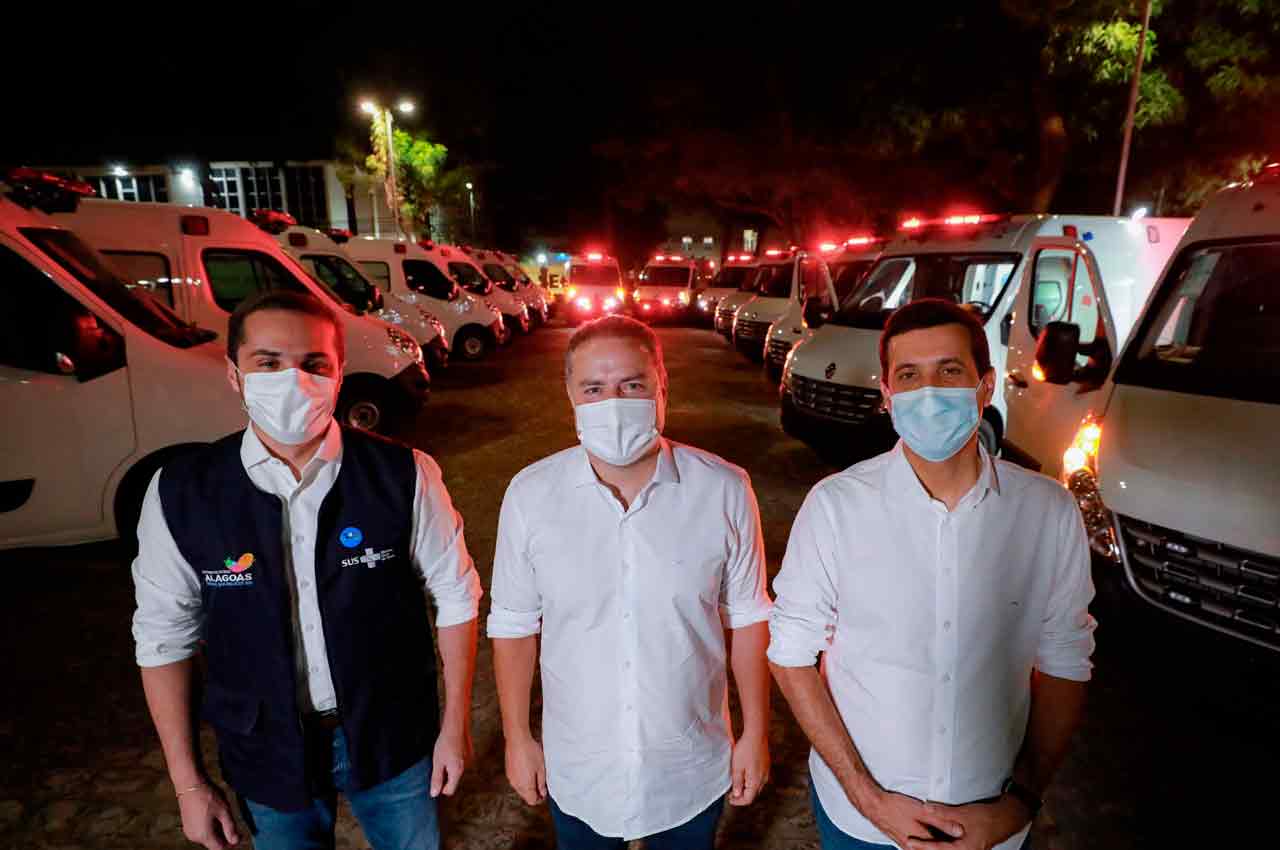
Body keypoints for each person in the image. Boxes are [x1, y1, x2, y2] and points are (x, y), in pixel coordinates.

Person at [131, 290, 481, 850]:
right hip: (263, 745)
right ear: (234, 372)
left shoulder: (403, 473)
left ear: (340, 374)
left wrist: (454, 729)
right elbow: (162, 640)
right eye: (268, 363)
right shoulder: (182, 491)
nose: (292, 380)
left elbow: (457, 597)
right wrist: (188, 784)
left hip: (393, 735)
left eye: (314, 364)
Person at [768, 298, 1097, 850]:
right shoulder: (836, 508)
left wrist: (1020, 802)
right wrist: (868, 798)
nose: (929, 392)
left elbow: (1066, 660)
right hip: (861, 822)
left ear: (984, 387)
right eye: (909, 376)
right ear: (888, 397)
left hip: (992, 822)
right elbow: (791, 654)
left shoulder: (1047, 511)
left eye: (949, 371)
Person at [488, 315, 773, 849]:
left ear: (662, 387)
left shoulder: (724, 489)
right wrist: (517, 737)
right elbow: (513, 624)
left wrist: (756, 731)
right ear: (570, 395)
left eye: (632, 386)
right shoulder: (531, 496)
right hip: (578, 767)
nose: (612, 403)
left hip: (689, 766)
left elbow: (751, 615)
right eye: (594, 388)